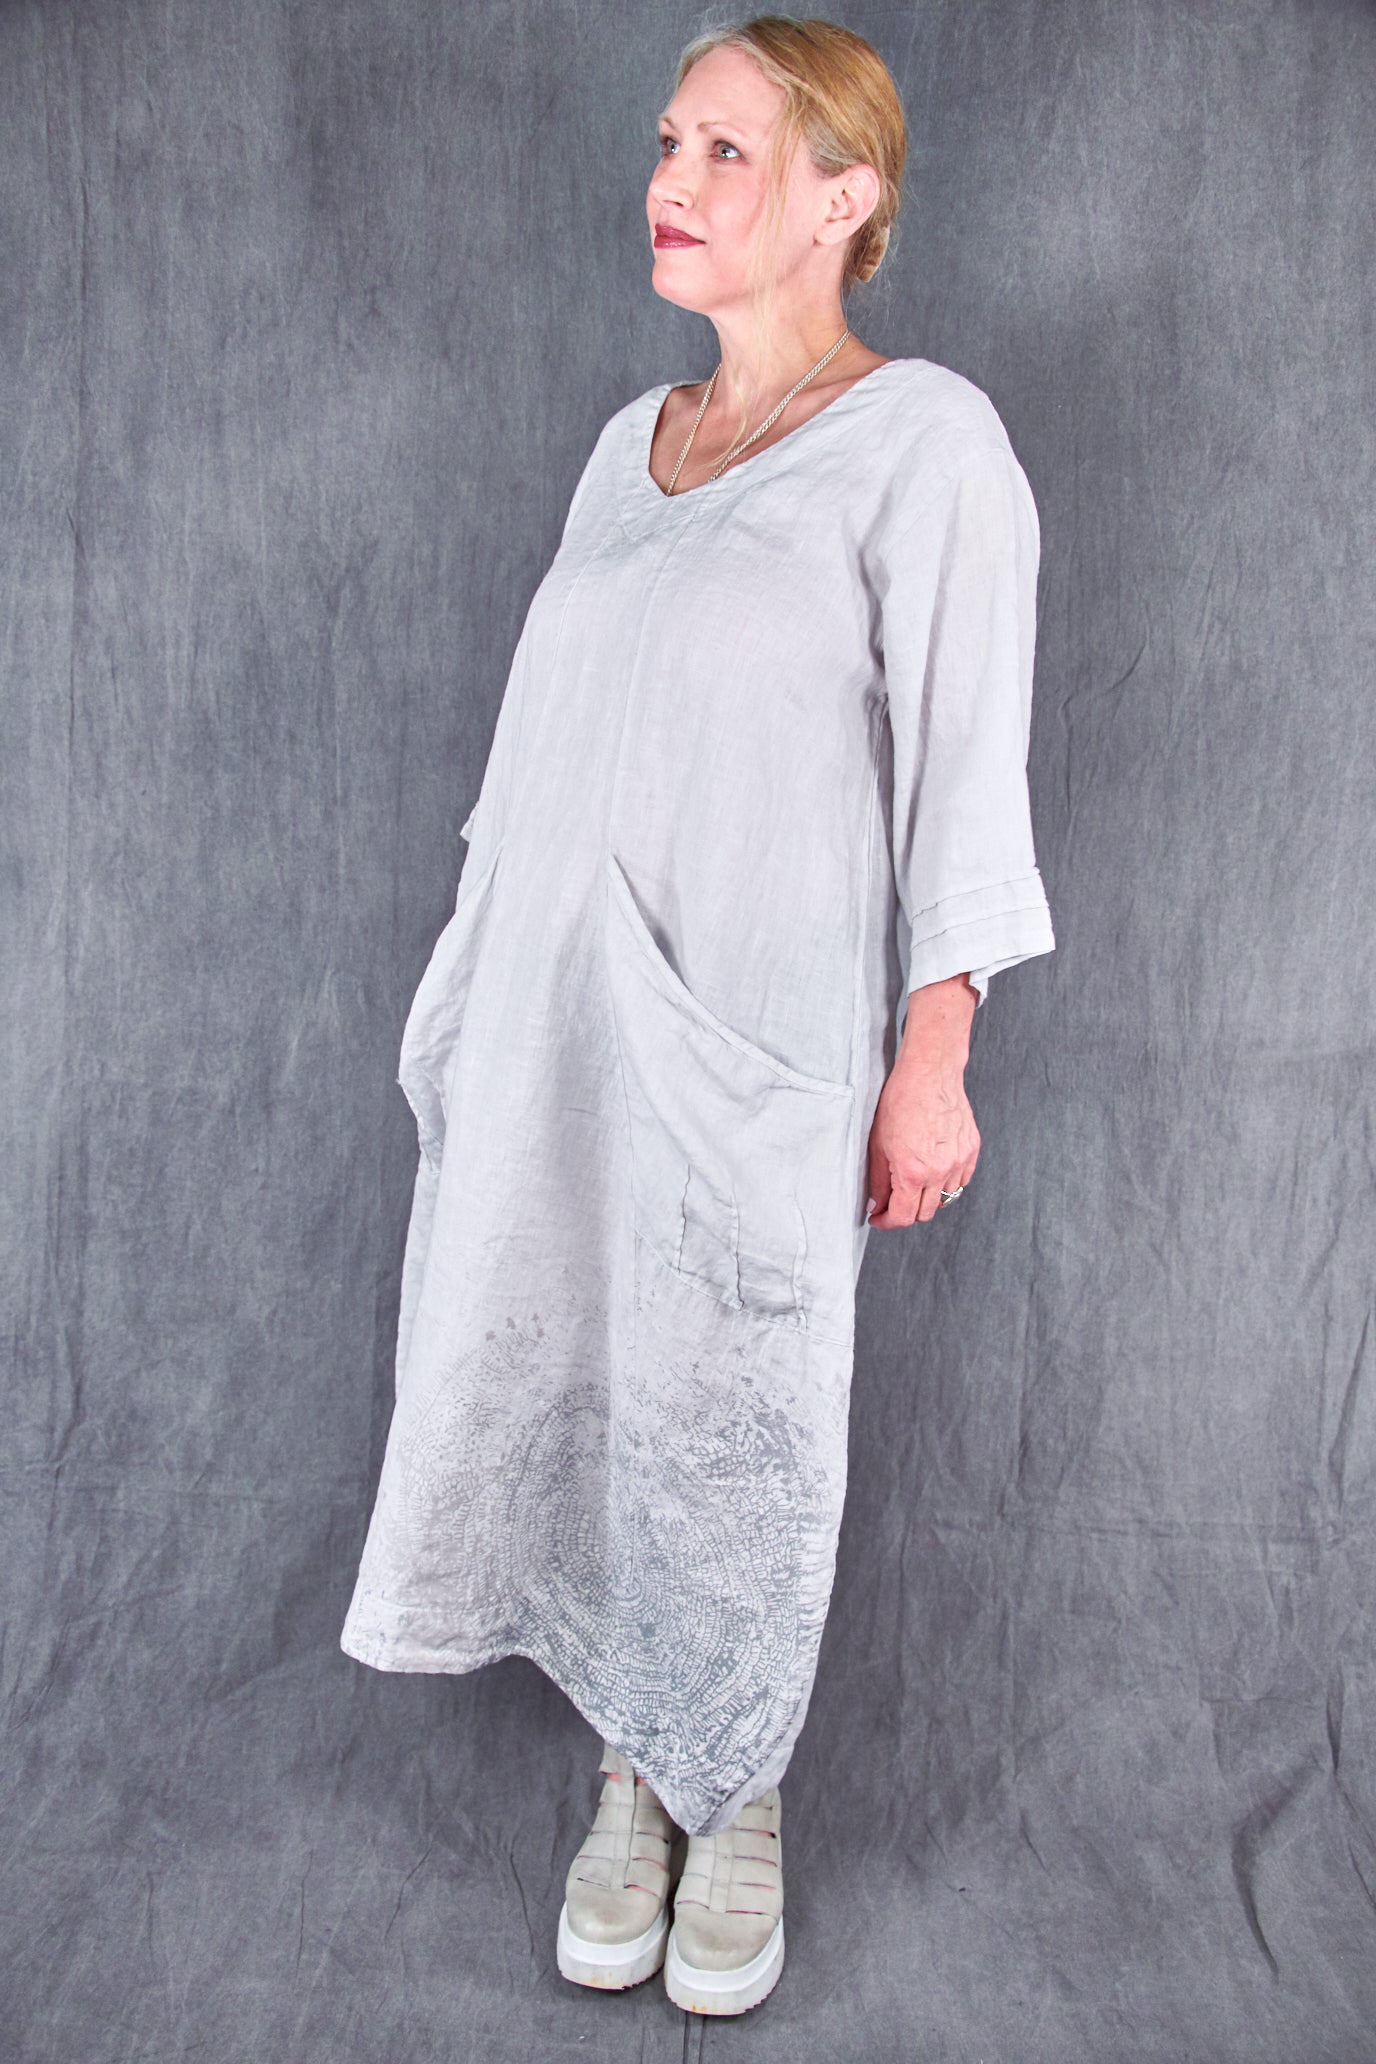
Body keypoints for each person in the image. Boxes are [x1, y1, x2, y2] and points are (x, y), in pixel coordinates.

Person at [340, 12, 1055, 2020]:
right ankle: (626, 1772)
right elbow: (551, 749)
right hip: (553, 1041)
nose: (671, 179)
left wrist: (934, 1057)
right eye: (669, 142)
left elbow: (964, 773)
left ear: (845, 197)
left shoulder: (925, 445)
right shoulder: (623, 448)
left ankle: (727, 1787)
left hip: (750, 1046)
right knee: (574, 1378)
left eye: (728, 150)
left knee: (727, 1412)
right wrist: (472, 992)